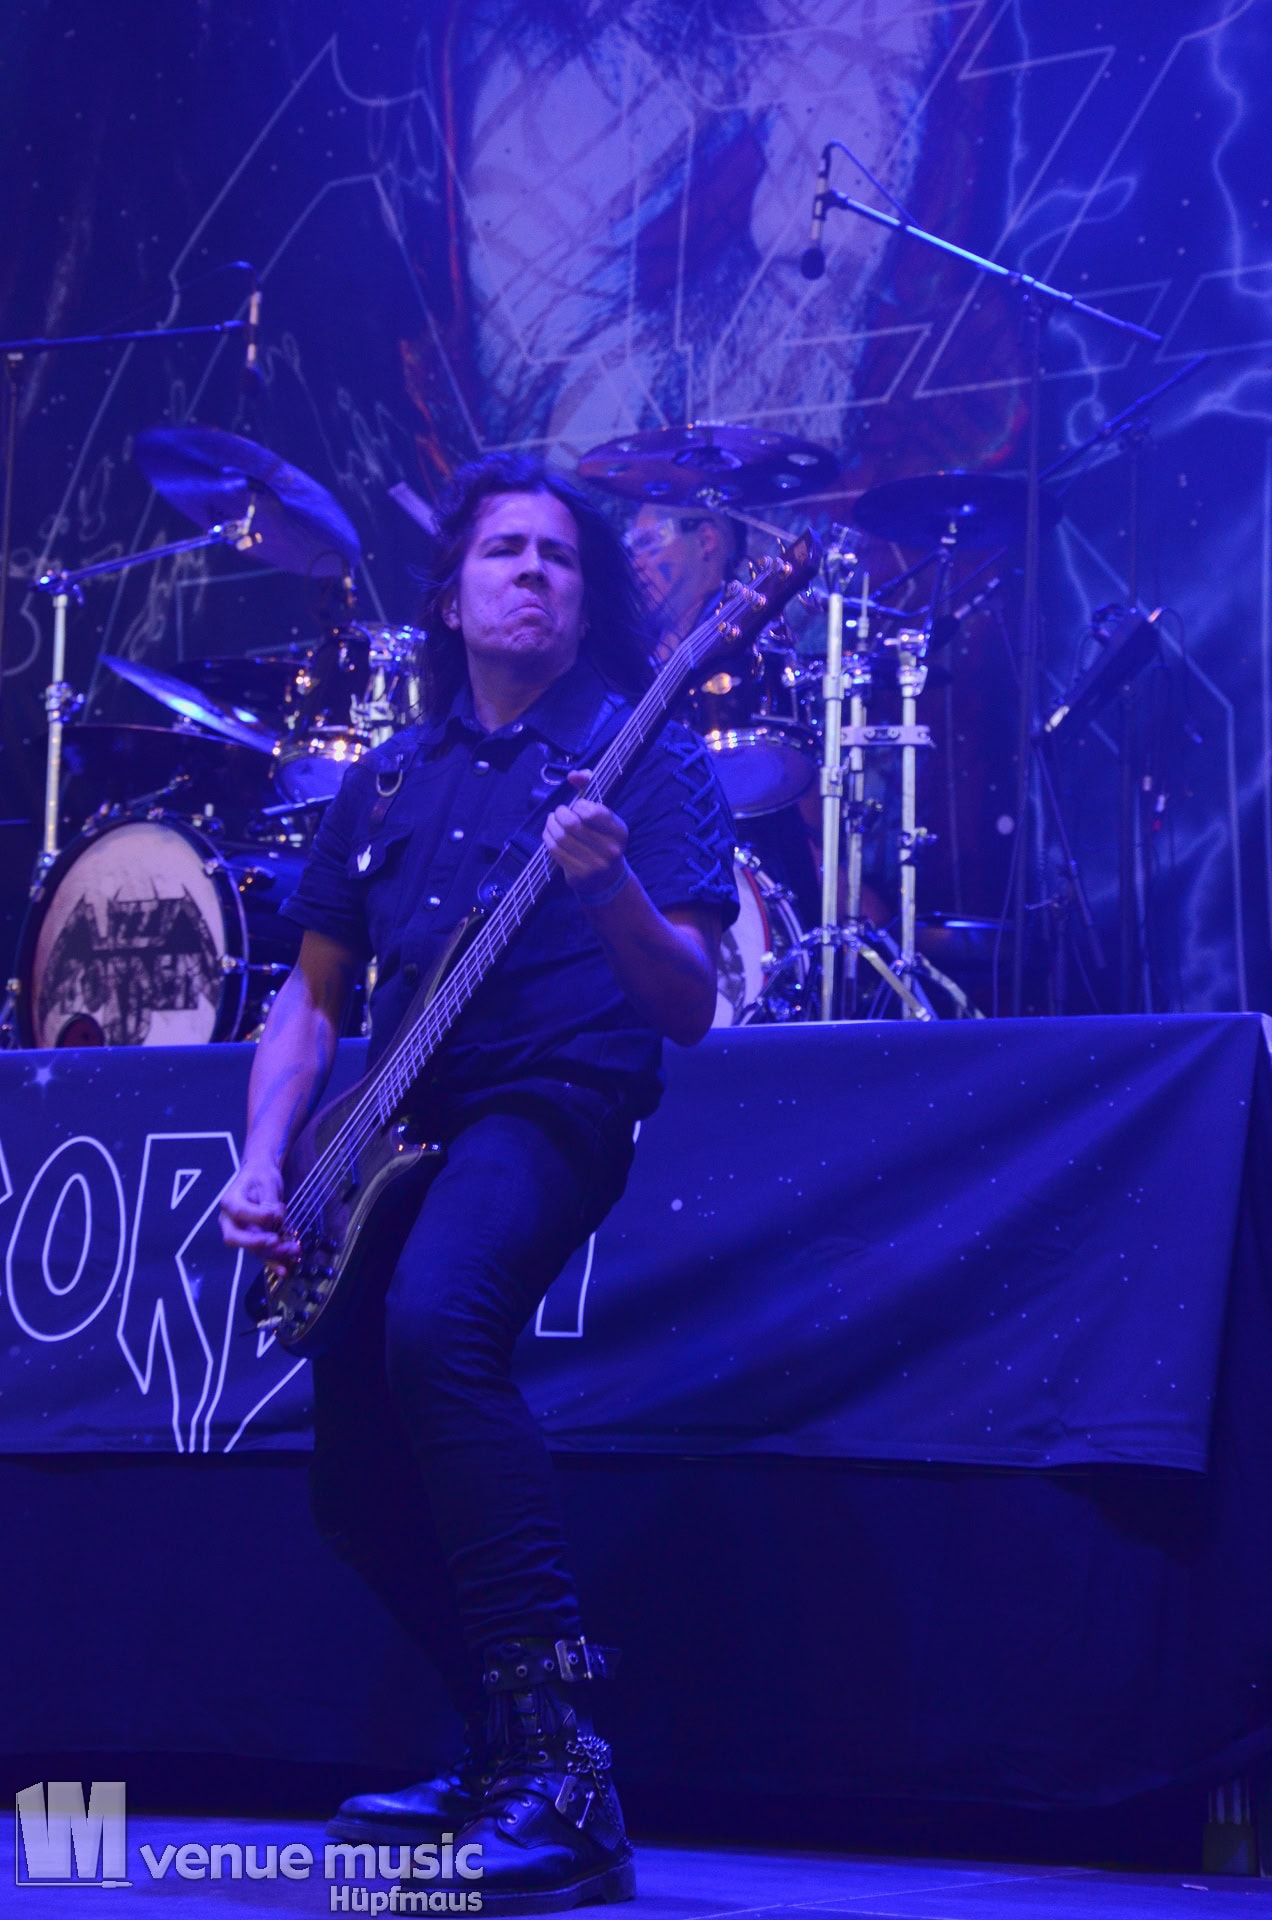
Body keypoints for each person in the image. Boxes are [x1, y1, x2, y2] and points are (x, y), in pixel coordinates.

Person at [218, 453, 738, 1911]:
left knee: (438, 1329)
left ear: (585, 601)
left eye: (560, 558)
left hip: (554, 1101)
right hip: (388, 1133)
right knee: (352, 1475)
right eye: (505, 550)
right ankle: (502, 1751)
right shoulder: (385, 779)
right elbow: (311, 997)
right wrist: (262, 1156)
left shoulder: (644, 759)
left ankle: (568, 1783)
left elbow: (689, 1004)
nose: (533, 573)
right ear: (449, 596)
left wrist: (606, 884)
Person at [626, 502, 823, 930]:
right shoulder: (635, 651)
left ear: (706, 540)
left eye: (647, 542)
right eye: (630, 546)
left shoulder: (743, 637)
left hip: (758, 855)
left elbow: (793, 765)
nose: (634, 560)